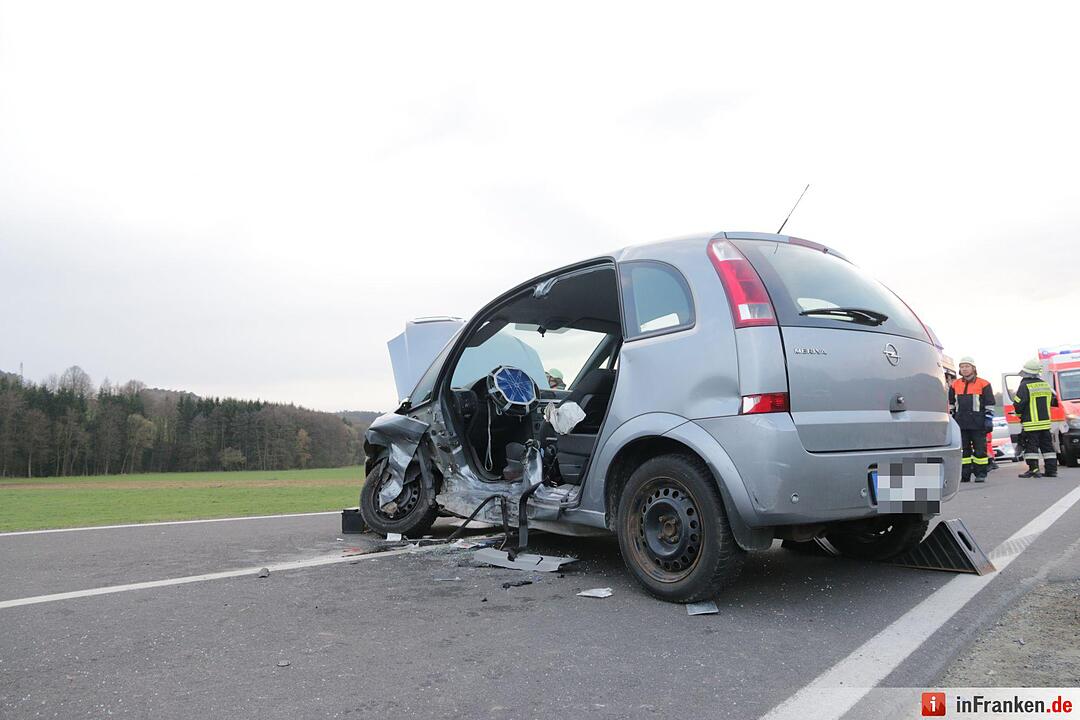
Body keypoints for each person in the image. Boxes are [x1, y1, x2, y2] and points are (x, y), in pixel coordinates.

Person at [949, 356, 994, 483]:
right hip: (961, 423)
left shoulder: (984, 384)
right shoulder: (955, 384)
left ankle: (980, 474)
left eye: (967, 366)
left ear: (973, 368)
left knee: (980, 451)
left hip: (978, 423)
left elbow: (989, 403)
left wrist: (988, 419)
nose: (964, 369)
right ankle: (965, 475)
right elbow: (951, 404)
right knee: (964, 452)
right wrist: (952, 420)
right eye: (962, 367)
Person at [1013, 358, 1059, 478]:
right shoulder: (1045, 384)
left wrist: (1019, 416)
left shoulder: (1024, 386)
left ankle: (1034, 470)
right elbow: (1053, 400)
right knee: (1048, 448)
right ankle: (1051, 470)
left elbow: (1018, 404)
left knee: (1031, 447)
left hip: (1031, 423)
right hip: (1045, 423)